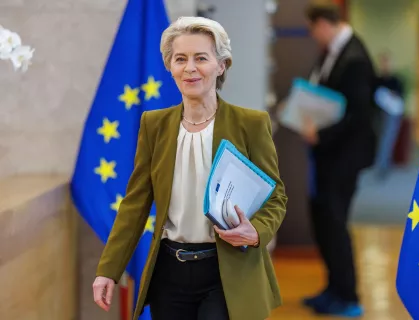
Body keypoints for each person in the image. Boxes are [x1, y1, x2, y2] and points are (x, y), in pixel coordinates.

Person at [91, 16, 287, 320]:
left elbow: (276, 197)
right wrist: (109, 270)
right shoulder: (154, 125)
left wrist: (256, 232)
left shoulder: (251, 124)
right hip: (170, 272)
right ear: (170, 66)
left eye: (201, 58)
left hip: (227, 270)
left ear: (221, 65)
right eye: (180, 59)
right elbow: (135, 204)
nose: (190, 68)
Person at [301, 3, 377, 317]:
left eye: (313, 29)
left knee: (335, 222)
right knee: (323, 221)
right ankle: (333, 288)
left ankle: (349, 296)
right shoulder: (333, 52)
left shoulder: (354, 57)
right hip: (329, 154)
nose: (312, 36)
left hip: (344, 155)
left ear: (324, 24)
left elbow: (359, 114)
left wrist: (323, 133)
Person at [374, 51, 405, 179]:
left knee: (388, 138)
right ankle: (380, 164)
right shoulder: (377, 80)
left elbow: (400, 96)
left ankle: (384, 165)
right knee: (381, 139)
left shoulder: (396, 80)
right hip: (380, 113)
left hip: (392, 113)